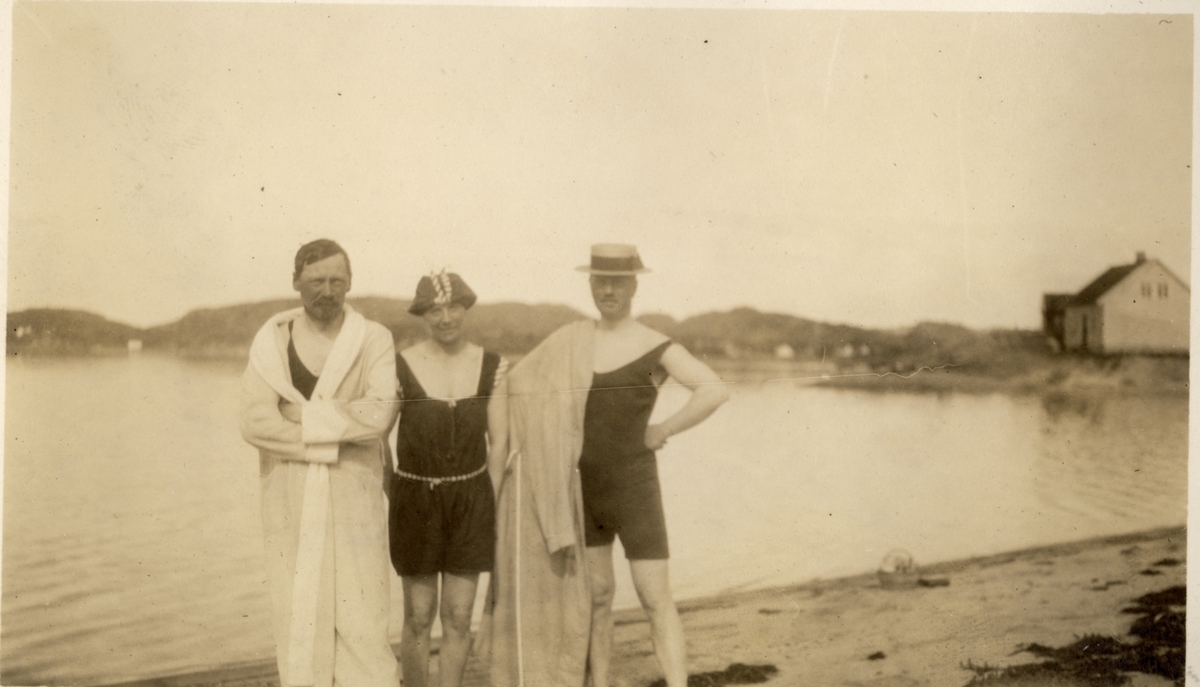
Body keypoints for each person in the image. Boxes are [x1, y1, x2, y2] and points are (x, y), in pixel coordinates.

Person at [488, 244, 729, 687]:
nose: (609, 289)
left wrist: (665, 428)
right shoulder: (573, 340)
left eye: (618, 281)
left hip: (635, 487)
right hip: (586, 489)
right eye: (600, 281)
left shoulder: (654, 343)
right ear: (591, 285)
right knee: (597, 598)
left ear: (635, 285)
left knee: (655, 597)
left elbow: (713, 389)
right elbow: (519, 384)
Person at [239, 239, 400, 687]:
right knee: (299, 611)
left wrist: (297, 416)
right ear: (296, 283)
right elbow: (254, 423)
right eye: (315, 281)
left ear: (349, 283)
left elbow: (380, 411)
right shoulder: (272, 341)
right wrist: (330, 442)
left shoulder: (373, 339)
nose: (327, 291)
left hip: (354, 493)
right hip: (288, 494)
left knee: (362, 613)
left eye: (337, 281)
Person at [389, 271, 509, 687]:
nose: (445, 318)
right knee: (418, 617)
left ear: (466, 309)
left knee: (458, 617)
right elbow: (375, 437)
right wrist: (397, 490)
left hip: (472, 501)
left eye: (453, 307)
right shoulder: (400, 365)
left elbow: (500, 444)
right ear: (423, 314)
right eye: (435, 310)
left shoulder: (492, 366)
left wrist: (486, 506)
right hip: (415, 501)